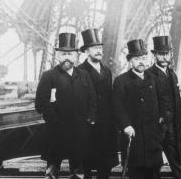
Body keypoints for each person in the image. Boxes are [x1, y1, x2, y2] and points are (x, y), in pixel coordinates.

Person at [35, 32, 97, 179]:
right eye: (63, 54)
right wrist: (55, 122)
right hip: (56, 131)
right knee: (52, 170)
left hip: (79, 131)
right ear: (58, 56)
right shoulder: (48, 76)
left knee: (78, 170)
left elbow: (93, 99)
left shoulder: (83, 75)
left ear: (76, 56)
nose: (67, 58)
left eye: (70, 54)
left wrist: (90, 118)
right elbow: (41, 104)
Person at [112, 39, 163, 179]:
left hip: (153, 136)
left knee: (154, 171)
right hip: (134, 134)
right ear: (130, 61)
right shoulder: (121, 81)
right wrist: (126, 125)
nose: (141, 62)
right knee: (136, 171)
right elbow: (117, 106)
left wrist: (161, 121)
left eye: (143, 58)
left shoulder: (153, 79)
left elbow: (161, 101)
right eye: (137, 59)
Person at [78, 28, 118, 179]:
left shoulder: (107, 71)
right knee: (87, 161)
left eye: (100, 48)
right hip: (89, 122)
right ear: (87, 51)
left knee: (105, 163)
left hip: (106, 123)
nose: (99, 51)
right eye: (95, 48)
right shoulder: (80, 71)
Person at [147, 36, 181, 179]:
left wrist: (179, 121)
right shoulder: (148, 75)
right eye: (161, 54)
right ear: (155, 55)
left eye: (167, 54)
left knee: (178, 160)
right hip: (156, 127)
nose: (164, 57)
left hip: (173, 126)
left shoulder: (172, 74)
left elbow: (177, 101)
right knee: (154, 164)